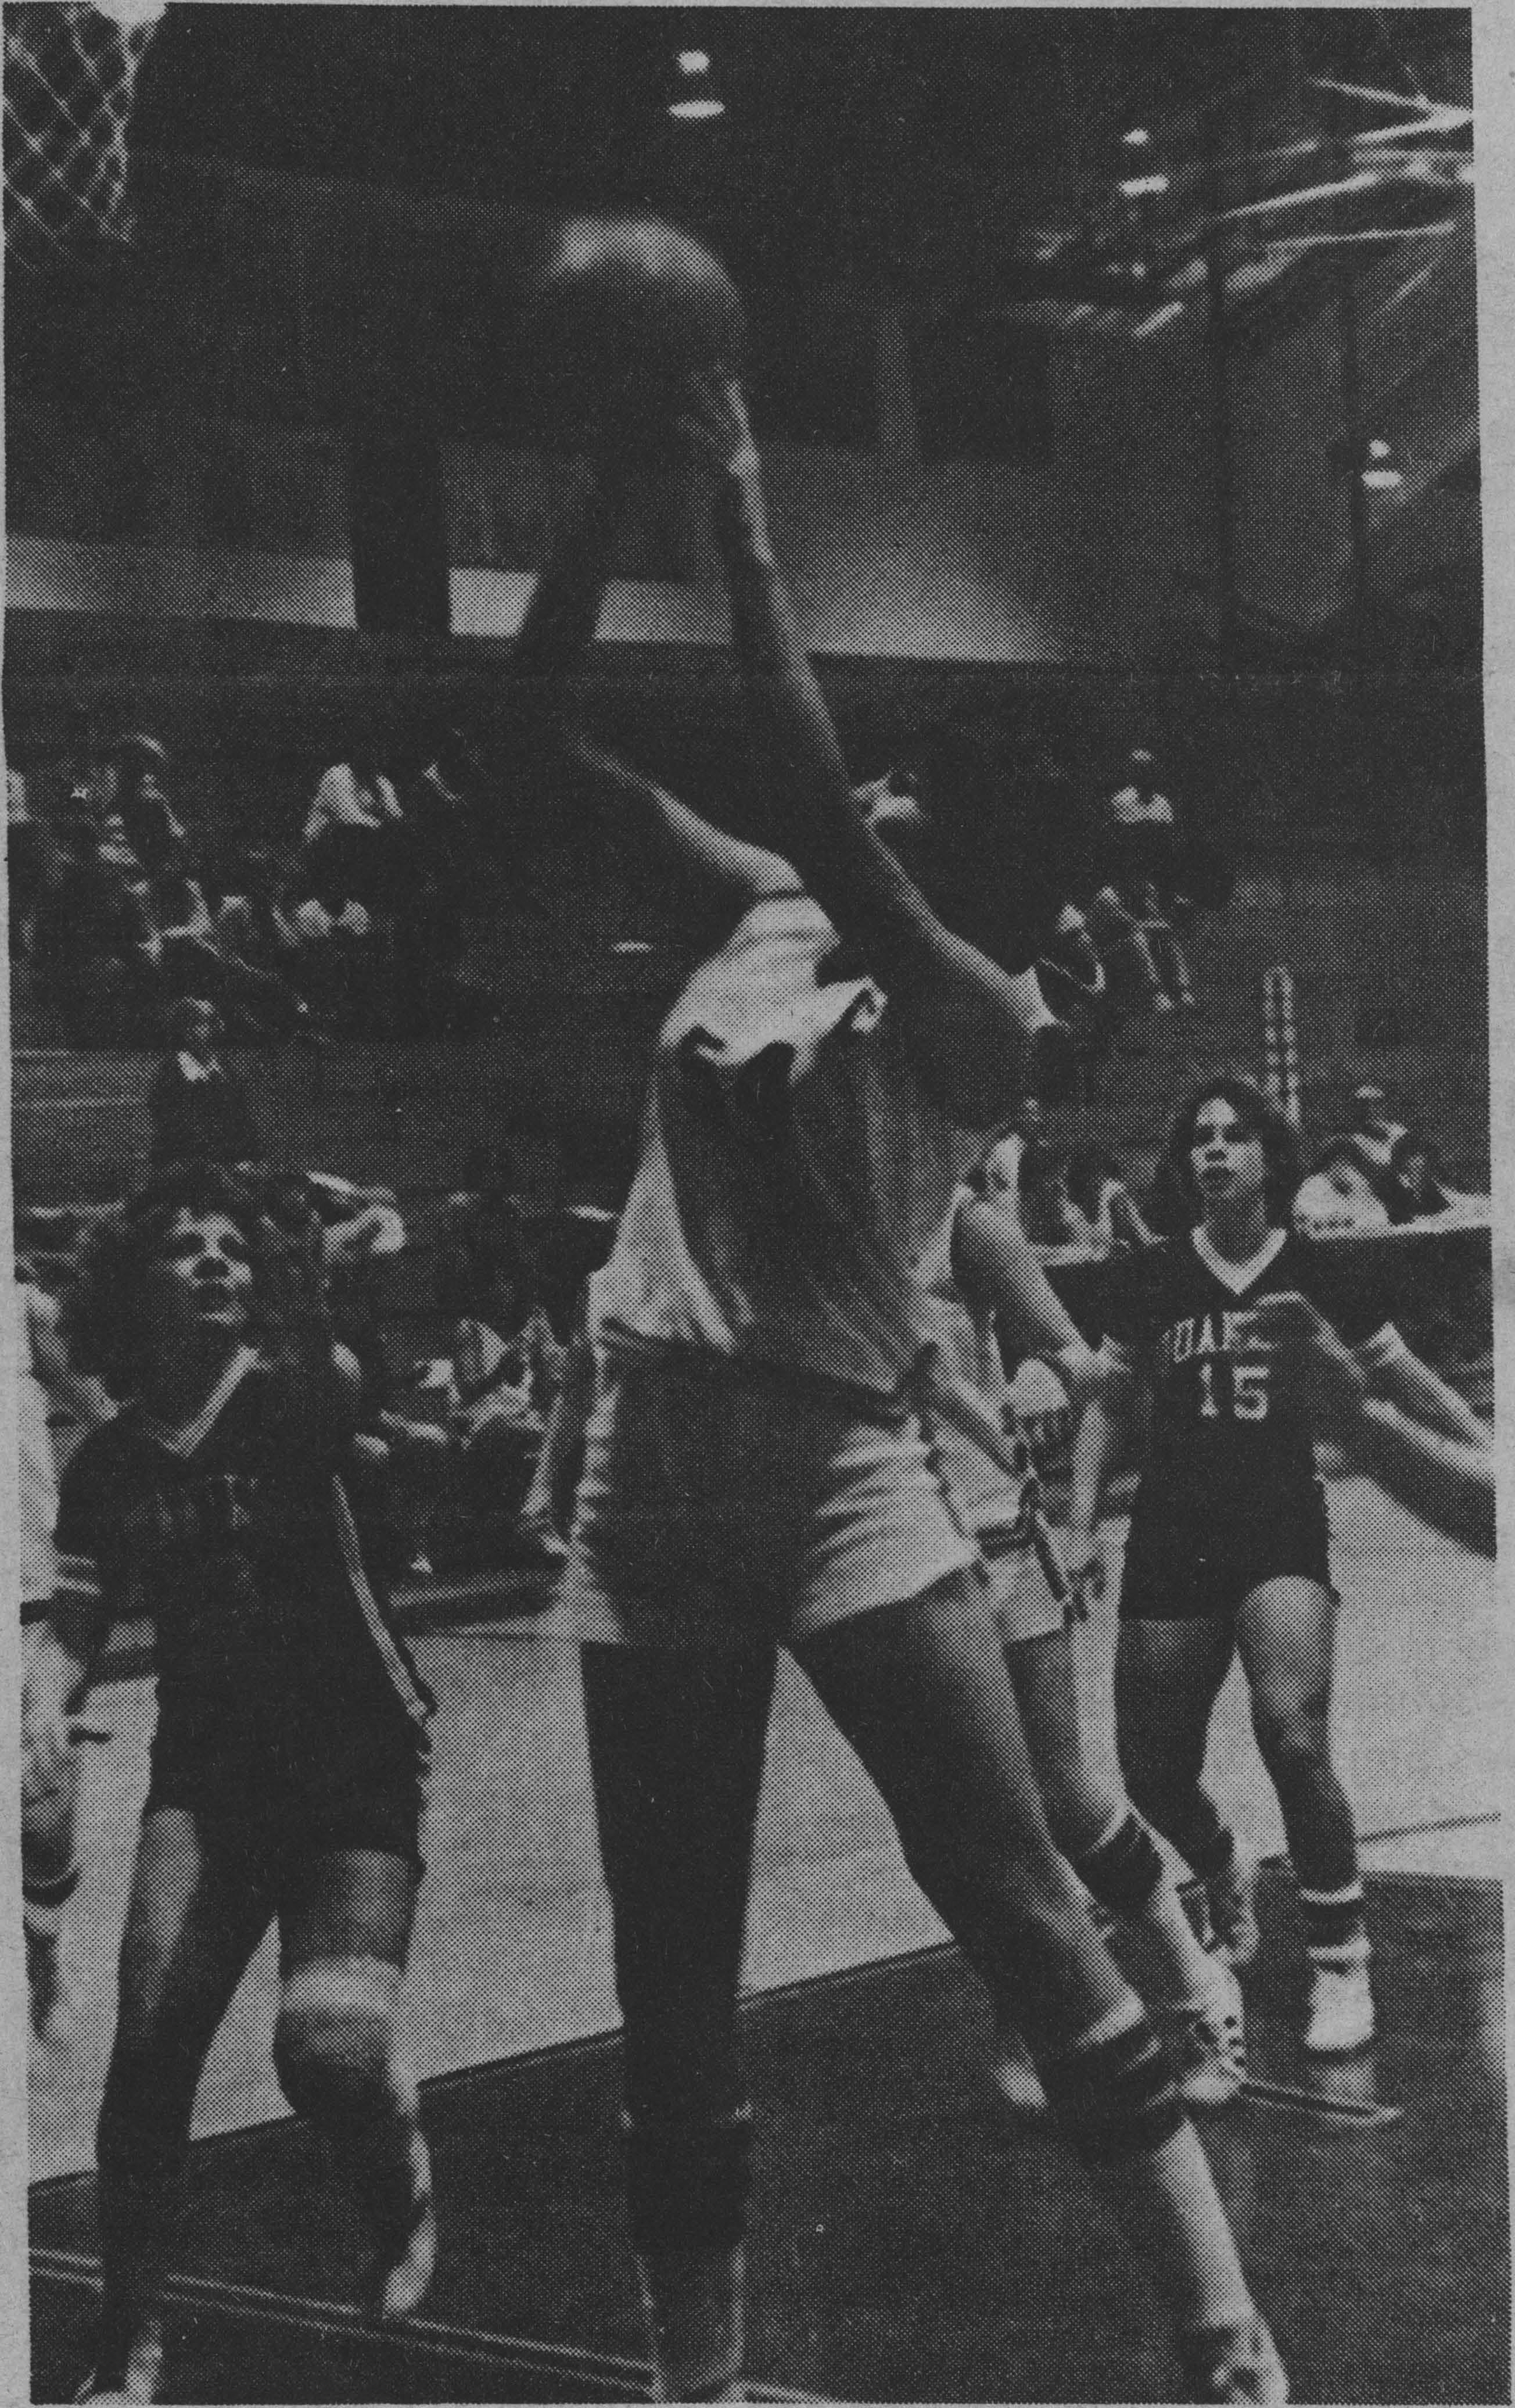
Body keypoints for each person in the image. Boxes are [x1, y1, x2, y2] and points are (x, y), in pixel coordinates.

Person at [536, 383, 1283, 2405]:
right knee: (665, 1985)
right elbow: (534, 736)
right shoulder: (764, 905)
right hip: (648, 1468)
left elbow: (798, 761)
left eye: (897, 794)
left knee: (1020, 1899)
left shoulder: (978, 1008)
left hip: (838, 1469)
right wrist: (604, 500)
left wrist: (744, 517)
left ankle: (1223, 2339)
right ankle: (696, 2383)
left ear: (951, 849)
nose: (862, 794)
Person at [53, 1163, 436, 2403]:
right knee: (149, 2054)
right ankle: (128, 2342)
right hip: (208, 1778)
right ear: (132, 1287)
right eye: (186, 1246)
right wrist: (38, 1707)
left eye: (231, 1245)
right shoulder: (107, 1464)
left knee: (325, 2054)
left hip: (353, 1756)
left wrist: (327, 1242)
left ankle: (397, 2179)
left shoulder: (297, 1392)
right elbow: (75, 1623)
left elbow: (338, 1354)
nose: (215, 1258)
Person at [1067, 1075, 1490, 2062]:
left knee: (1292, 1734)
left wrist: (1482, 1459)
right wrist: (1079, 1522)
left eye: (1235, 1134)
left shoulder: (1316, 1271)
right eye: (1200, 1137)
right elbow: (1108, 1404)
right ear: (1186, 1164)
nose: (1216, 1149)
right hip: (1172, 1529)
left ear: (1270, 1157)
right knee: (1152, 1773)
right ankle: (1223, 1862)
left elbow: (1404, 1379)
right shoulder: (1152, 1274)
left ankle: (1340, 1959)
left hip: (1277, 1524)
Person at [920, 1178, 1245, 2117]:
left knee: (1058, 1792)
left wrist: (1061, 1375)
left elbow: (1082, 1365)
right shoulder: (820, 1222)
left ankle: (1195, 1982)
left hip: (994, 1532)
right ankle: (1033, 2008)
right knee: (969, 1815)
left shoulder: (967, 1223)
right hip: (892, 1551)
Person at [18, 1261, 114, 2038]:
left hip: (31, 1599)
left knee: (42, 1814)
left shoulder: (23, 1309)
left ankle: (43, 1954)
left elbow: (109, 1420)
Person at [145, 998, 265, 1171]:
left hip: (230, 1166)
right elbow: (171, 1129)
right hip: (183, 1168)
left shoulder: (227, 1072)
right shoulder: (171, 1073)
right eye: (201, 1022)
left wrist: (247, 1159)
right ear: (184, 1030)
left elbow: (243, 1122)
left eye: (214, 1020)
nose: (215, 1028)